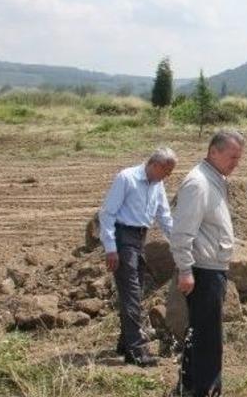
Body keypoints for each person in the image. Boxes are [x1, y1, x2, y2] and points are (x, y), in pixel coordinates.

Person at [170, 129, 244, 397]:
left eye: (239, 157)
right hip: (202, 271)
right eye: (232, 156)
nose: (236, 162)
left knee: (202, 333)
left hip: (211, 269)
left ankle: (188, 388)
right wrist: (185, 270)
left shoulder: (214, 179)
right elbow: (182, 232)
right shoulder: (198, 183)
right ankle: (204, 390)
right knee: (208, 339)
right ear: (213, 151)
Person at [98, 147, 176, 367]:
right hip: (123, 239)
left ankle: (125, 343)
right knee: (131, 293)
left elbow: (164, 216)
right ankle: (137, 351)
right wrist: (111, 248)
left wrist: (180, 242)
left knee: (135, 292)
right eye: (167, 171)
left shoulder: (157, 184)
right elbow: (107, 213)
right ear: (156, 165)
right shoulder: (127, 178)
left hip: (140, 239)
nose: (168, 176)